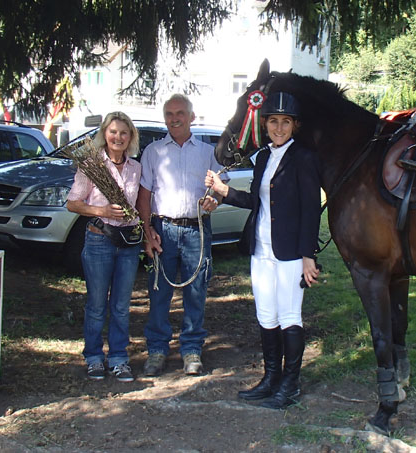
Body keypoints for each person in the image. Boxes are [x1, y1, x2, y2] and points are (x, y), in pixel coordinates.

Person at [205, 92, 322, 409]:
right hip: (261, 251)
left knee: (289, 317)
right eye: (273, 121)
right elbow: (255, 202)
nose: (279, 128)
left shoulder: (305, 157)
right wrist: (222, 191)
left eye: (285, 122)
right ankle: (271, 379)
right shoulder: (263, 158)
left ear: (294, 126)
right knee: (266, 316)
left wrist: (308, 255)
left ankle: (290, 385)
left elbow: (312, 209)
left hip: (291, 253)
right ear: (265, 124)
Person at [136, 93, 224, 376]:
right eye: (170, 115)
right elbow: (145, 193)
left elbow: (218, 187)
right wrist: (147, 230)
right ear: (165, 118)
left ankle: (191, 351)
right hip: (163, 229)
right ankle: (158, 351)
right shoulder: (153, 151)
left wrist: (215, 198)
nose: (175, 119)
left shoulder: (207, 151)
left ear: (191, 117)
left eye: (180, 113)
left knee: (196, 291)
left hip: (197, 228)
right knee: (159, 291)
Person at [66, 111, 142, 382]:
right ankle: (94, 357)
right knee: (97, 304)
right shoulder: (91, 165)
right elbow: (72, 203)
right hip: (99, 239)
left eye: (123, 132)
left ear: (130, 136)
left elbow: (137, 205)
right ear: (104, 134)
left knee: (121, 305)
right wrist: (101, 209)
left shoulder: (136, 167)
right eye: (113, 132)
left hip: (127, 244)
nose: (117, 137)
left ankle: (119, 358)